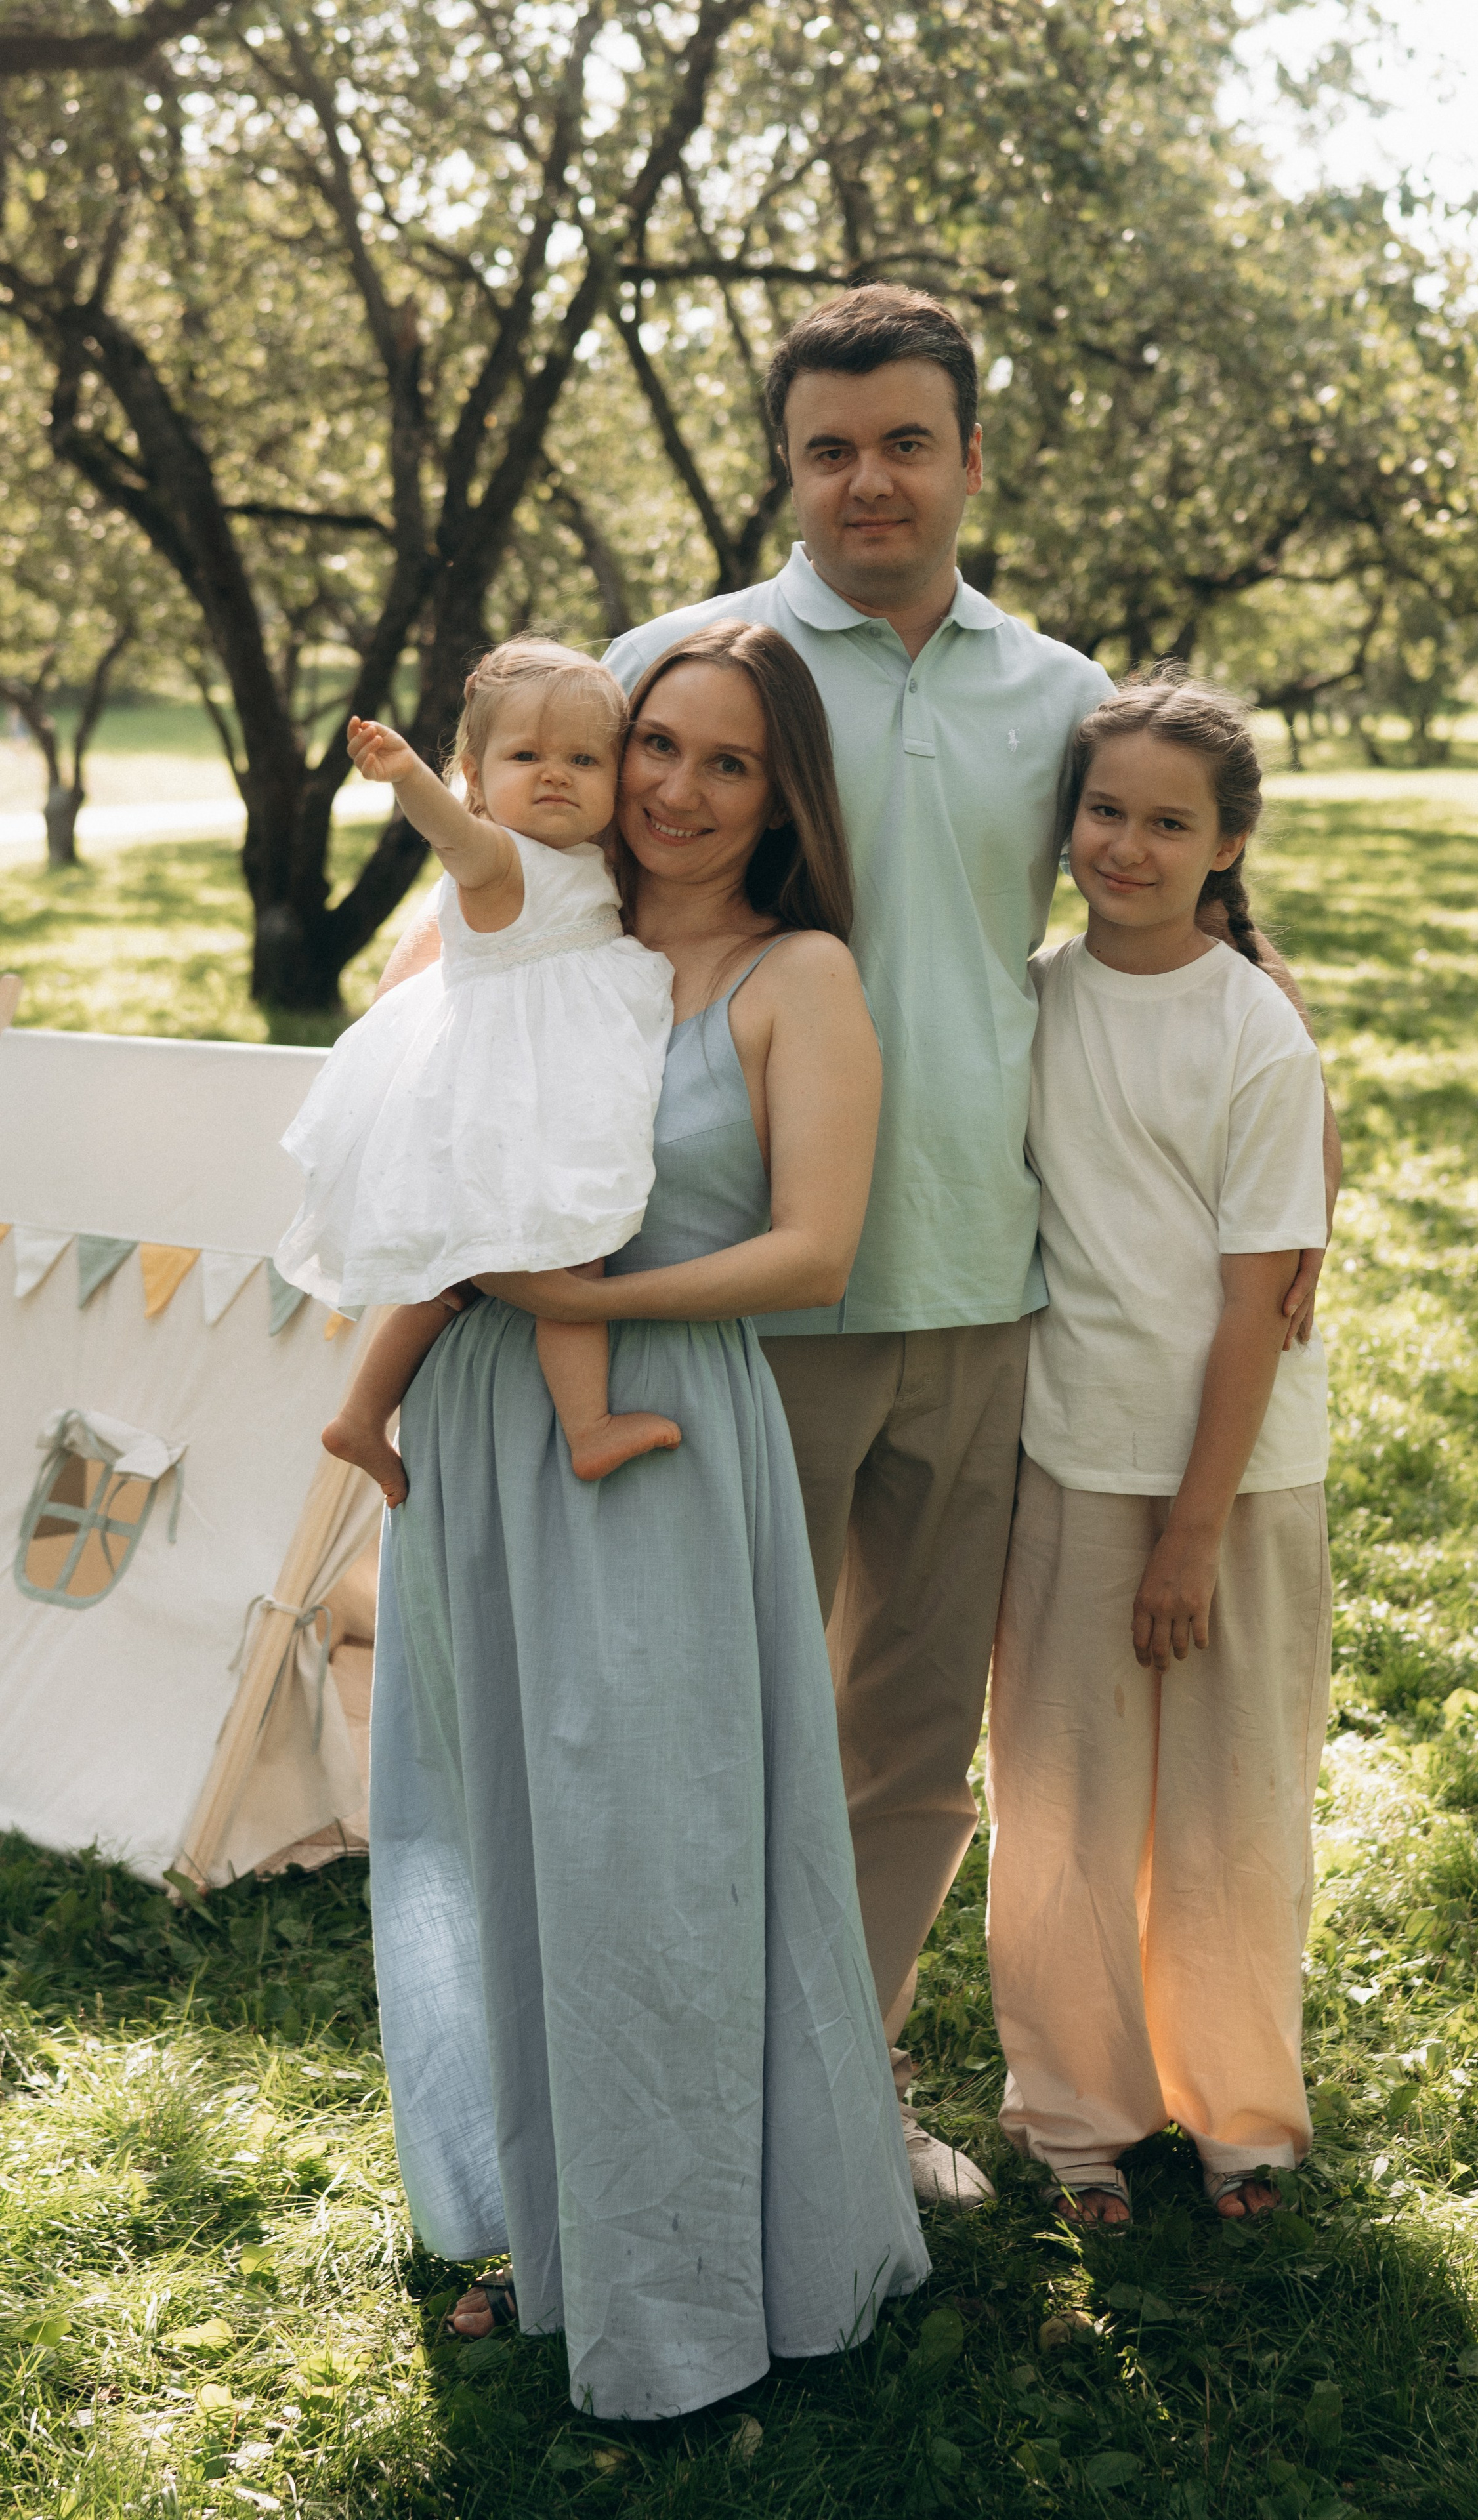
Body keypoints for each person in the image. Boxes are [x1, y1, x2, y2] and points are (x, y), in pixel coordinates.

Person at [383, 284, 1337, 2206]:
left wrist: (1301, 1125)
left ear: (973, 459)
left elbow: (1179, 905)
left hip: (991, 1295)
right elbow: (491, 915)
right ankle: (673, 2089)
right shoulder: (685, 670)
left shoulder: (1058, 694)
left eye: (908, 440)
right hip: (725, 1305)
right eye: (831, 446)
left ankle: (857, 2077)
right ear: (788, 465)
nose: (870, 478)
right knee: (702, 1725)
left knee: (908, 1738)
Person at [370, 618, 928, 2420]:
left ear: (781, 800)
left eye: (727, 763)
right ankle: (552, 2224)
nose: (675, 791)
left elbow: (814, 1251)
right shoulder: (534, 928)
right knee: (507, 1825)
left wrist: (579, 1310)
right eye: (654, 749)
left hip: (658, 1427)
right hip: (482, 1425)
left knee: (662, 1860)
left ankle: (703, 2267)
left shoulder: (797, 974)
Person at [985, 672, 1333, 2233]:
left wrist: (1191, 1535)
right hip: (1067, 1459)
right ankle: (1074, 2122)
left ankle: (1240, 2119)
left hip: (1235, 1484)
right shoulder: (1030, 996)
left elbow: (1259, 1305)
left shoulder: (1254, 1031)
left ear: (1227, 841)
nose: (1125, 844)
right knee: (1059, 1812)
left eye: (1166, 821)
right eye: (1103, 810)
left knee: (1229, 1810)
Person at [275, 639, 680, 1499]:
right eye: (525, 757)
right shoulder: (500, 862)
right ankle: (590, 1427)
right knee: (575, 1248)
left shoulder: (579, 860)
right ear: (476, 772)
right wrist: (409, 776)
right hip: (507, 1094)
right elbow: (454, 838)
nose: (555, 776)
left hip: (514, 1083)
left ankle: (358, 1419)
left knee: (453, 1278)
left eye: (583, 758)